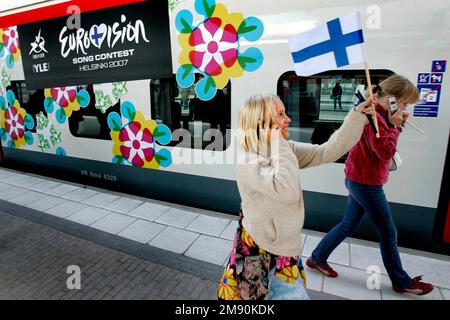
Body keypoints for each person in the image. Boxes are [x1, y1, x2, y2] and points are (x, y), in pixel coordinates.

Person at [217, 93, 375, 300]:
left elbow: (327, 151)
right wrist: (278, 143)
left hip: (283, 251)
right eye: (280, 114)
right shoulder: (250, 161)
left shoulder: (283, 149)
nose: (288, 119)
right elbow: (286, 192)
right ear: (261, 122)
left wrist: (356, 117)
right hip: (257, 250)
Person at [306, 75, 434, 296]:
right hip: (367, 183)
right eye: (403, 103)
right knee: (388, 232)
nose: (404, 108)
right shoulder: (374, 116)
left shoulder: (378, 112)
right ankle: (401, 281)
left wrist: (395, 125)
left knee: (349, 224)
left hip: (358, 178)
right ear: (392, 98)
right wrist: (396, 128)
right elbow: (384, 152)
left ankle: (317, 258)